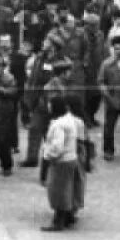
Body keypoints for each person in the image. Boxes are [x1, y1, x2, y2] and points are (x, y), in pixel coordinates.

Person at [40, 97, 86, 231]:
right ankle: (68, 216)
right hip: (71, 158)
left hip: (61, 161)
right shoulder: (71, 120)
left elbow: (57, 147)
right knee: (68, 189)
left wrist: (48, 155)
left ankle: (58, 221)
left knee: (57, 191)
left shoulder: (58, 125)